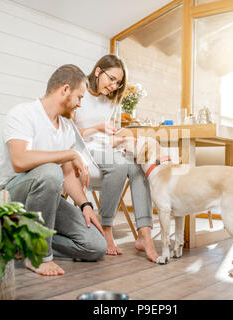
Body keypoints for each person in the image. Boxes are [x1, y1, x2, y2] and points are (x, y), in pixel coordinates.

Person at [0, 64, 107, 276]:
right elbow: (19, 160)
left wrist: (86, 205)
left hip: (45, 200)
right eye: (79, 97)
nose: (80, 104)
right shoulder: (23, 113)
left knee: (95, 246)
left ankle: (19, 241)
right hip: (6, 201)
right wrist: (70, 154)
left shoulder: (67, 128)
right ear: (65, 90)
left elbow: (68, 175)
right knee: (51, 171)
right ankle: (37, 255)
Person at [73, 54, 159, 262]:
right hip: (81, 148)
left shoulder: (110, 101)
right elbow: (71, 133)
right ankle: (106, 227)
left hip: (102, 147)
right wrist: (98, 128)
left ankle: (144, 235)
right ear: (97, 71)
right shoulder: (79, 91)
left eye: (118, 83)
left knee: (138, 167)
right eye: (111, 79)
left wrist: (116, 138)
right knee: (119, 166)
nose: (113, 85)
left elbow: (105, 135)